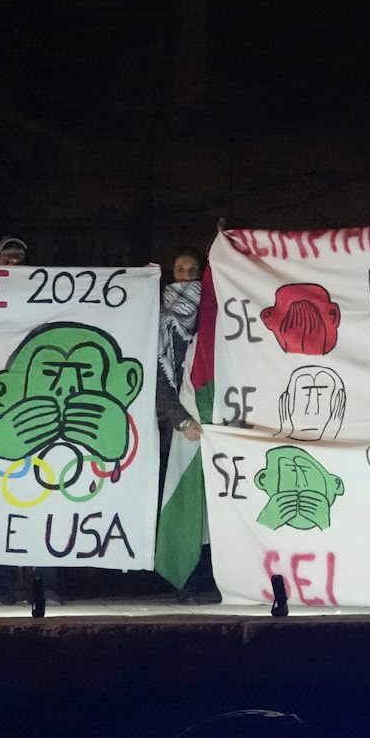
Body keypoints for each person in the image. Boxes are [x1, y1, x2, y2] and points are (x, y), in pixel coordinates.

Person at [0, 234, 63, 606]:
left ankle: (46, 584)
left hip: (43, 415)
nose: (12, 264)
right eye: (7, 257)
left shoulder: (47, 300)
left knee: (45, 501)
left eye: (19, 257)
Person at [157, 246, 217, 603]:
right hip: (181, 428)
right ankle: (188, 581)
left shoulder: (215, 318)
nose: (186, 276)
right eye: (180, 269)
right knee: (186, 505)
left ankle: (211, 578)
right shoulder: (162, 322)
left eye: (193, 270)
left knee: (213, 510)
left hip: (216, 423)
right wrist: (181, 420)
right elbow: (160, 379)